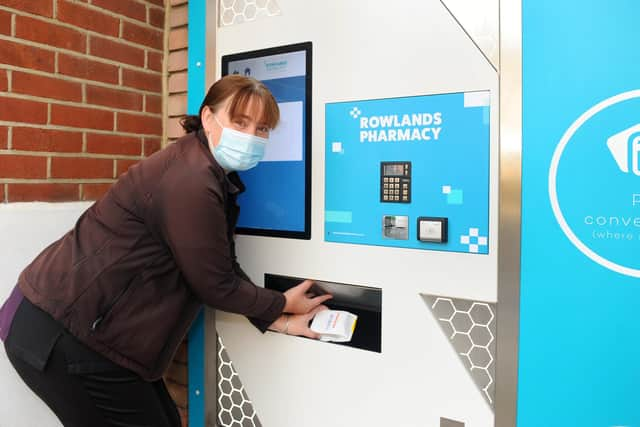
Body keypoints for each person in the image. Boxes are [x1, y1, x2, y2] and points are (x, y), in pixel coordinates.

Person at [0, 74, 332, 427]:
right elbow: (214, 284)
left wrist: (275, 318)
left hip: (86, 331)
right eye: (240, 121)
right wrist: (280, 304)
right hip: (63, 335)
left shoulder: (205, 170)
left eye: (263, 128)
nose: (251, 136)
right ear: (208, 117)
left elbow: (219, 262)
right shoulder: (191, 180)